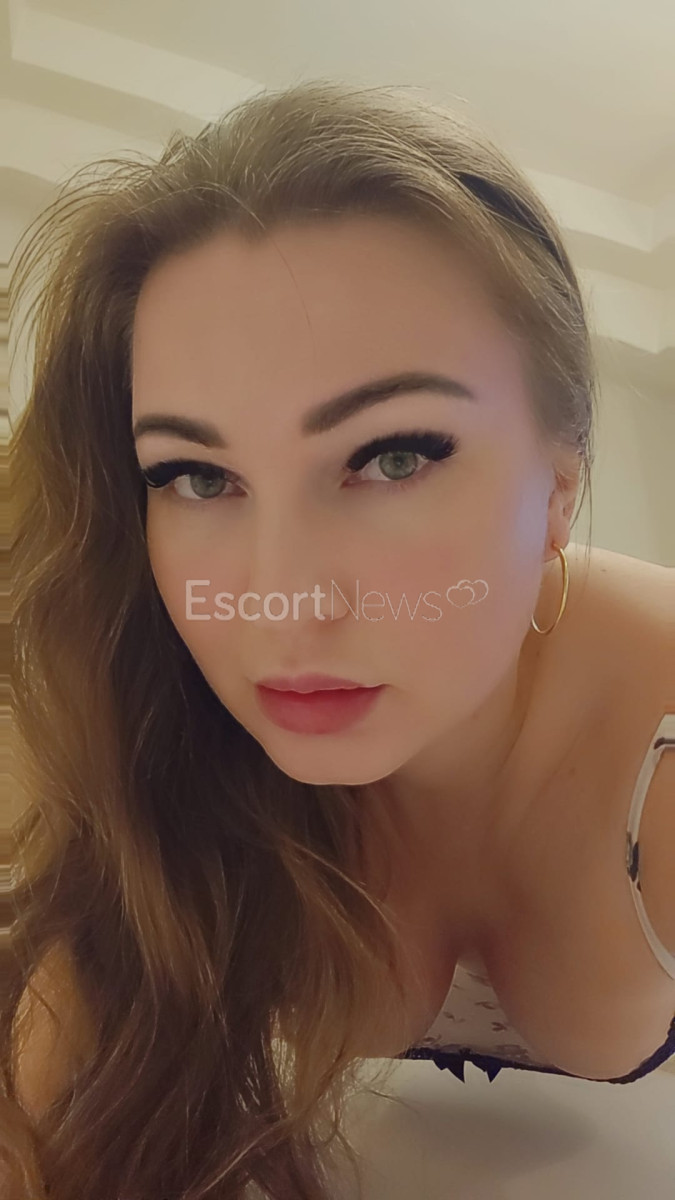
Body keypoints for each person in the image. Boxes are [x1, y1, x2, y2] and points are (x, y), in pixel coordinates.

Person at [3, 79, 673, 1200]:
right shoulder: (140, 716)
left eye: (392, 457)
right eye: (196, 475)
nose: (282, 600)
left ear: (559, 488)